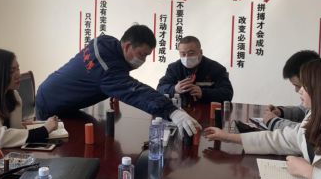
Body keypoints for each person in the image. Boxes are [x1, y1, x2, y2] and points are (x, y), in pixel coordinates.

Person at [36, 24, 201, 136]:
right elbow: (136, 92)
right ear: (127, 46)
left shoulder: (105, 42)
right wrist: (172, 111)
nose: (143, 60)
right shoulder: (105, 68)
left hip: (62, 99)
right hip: (52, 104)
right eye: (141, 54)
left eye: (146, 56)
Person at [157, 36, 233, 105]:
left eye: (191, 53)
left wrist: (203, 93)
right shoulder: (174, 68)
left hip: (207, 110)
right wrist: (174, 89)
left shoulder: (216, 68)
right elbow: (160, 88)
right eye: (183, 54)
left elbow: (227, 93)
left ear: (201, 52)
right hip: (180, 110)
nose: (187, 57)